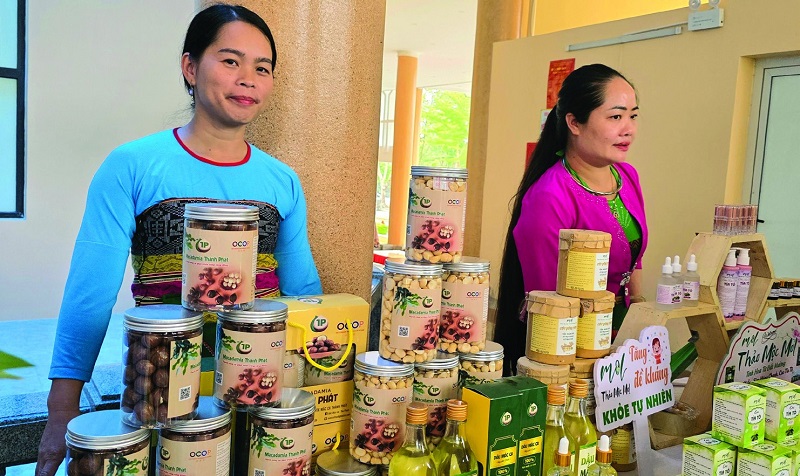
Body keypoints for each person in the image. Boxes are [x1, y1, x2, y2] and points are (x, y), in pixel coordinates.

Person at [36, 5, 322, 475]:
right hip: (160, 397)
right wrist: (61, 407)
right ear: (190, 67)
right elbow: (90, 292)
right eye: (230, 61)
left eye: (262, 68)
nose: (248, 79)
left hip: (260, 399)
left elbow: (304, 294)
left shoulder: (282, 181)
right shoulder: (131, 166)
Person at [493, 64, 648, 376]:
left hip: (619, 341)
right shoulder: (549, 196)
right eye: (615, 117)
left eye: (633, 115)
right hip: (568, 352)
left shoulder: (627, 177)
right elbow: (549, 303)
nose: (629, 128)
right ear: (575, 123)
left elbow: (634, 259)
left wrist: (640, 322)